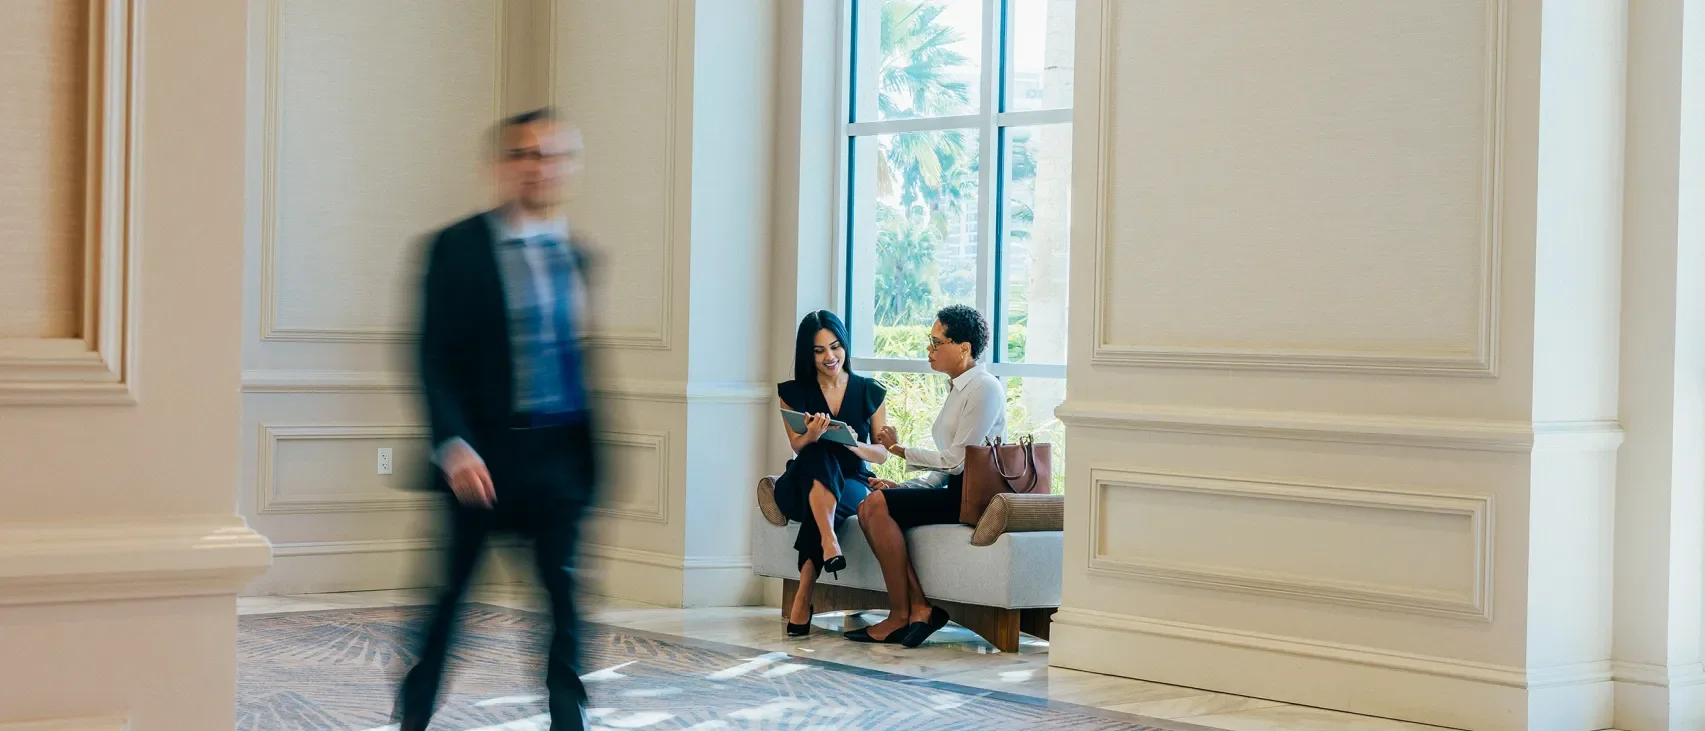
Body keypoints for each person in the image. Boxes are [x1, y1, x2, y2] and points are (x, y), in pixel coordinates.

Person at [396, 107, 600, 731]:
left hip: (557, 461)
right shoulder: (455, 248)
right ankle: (413, 719)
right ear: (503, 167)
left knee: (564, 611)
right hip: (480, 463)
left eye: (554, 155)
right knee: (449, 607)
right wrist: (452, 443)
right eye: (528, 155)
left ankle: (570, 723)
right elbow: (432, 355)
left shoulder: (577, 255)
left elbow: (577, 362)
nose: (541, 168)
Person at [850, 305, 1006, 648]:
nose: (929, 350)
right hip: (952, 488)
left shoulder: (984, 388)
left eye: (937, 343)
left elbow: (957, 461)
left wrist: (900, 451)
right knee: (869, 506)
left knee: (875, 506)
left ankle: (901, 614)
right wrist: (904, 487)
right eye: (929, 342)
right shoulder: (958, 388)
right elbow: (946, 468)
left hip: (971, 495)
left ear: (963, 348)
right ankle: (917, 608)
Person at [774, 310, 890, 635]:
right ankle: (829, 540)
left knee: (825, 497)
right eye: (819, 350)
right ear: (807, 354)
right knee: (818, 454)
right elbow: (798, 447)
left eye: (835, 347)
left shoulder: (870, 391)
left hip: (852, 481)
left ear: (845, 346)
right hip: (799, 482)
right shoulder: (793, 392)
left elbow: (881, 454)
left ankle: (804, 594)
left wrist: (854, 445)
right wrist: (812, 434)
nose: (830, 356)